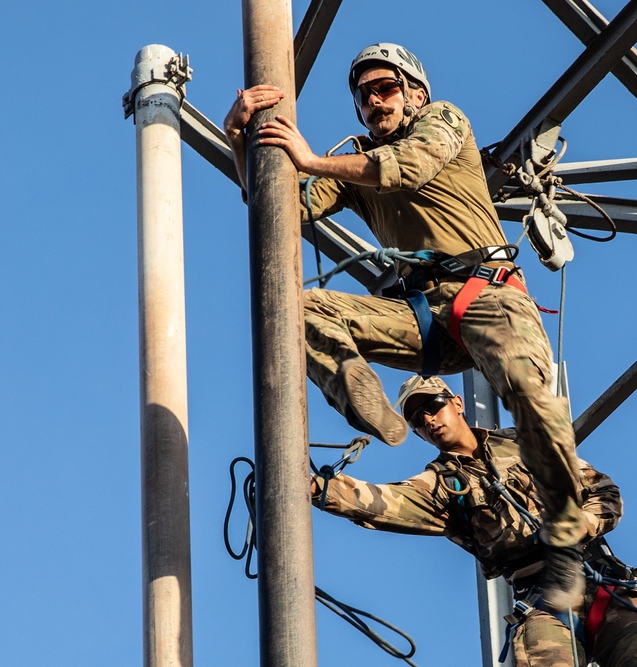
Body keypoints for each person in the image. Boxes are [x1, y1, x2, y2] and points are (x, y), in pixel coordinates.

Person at [224, 42, 586, 610]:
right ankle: (364, 402)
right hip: (426, 320)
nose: (372, 101)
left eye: (384, 88)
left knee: (529, 395)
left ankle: (564, 533)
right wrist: (239, 138)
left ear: (415, 92)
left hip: (487, 296)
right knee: (299, 307)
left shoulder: (444, 120)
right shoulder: (354, 166)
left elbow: (405, 168)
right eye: (363, 95)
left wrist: (311, 158)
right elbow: (277, 207)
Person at [311, 375, 637, 667]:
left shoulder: (523, 444)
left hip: (604, 583)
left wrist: (584, 522)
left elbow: (603, 492)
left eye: (432, 406)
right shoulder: (441, 486)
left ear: (457, 403)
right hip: (545, 601)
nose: (428, 420)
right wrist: (315, 487)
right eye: (416, 419)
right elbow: (377, 502)